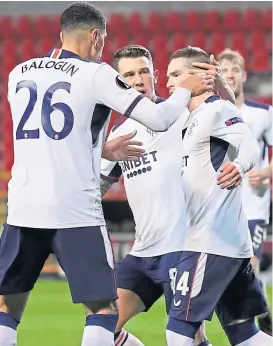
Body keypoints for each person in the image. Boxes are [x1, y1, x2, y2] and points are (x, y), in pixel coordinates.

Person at [0, 2, 212, 346]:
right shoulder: (95, 73)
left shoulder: (18, 72)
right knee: (103, 310)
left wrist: (99, 149)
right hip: (74, 210)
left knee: (7, 305)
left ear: (61, 33)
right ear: (96, 37)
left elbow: (48, 139)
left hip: (23, 206)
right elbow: (158, 119)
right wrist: (186, 87)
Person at [100, 45, 235, 346]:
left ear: (155, 75)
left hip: (183, 248)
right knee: (103, 326)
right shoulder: (118, 135)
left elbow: (225, 116)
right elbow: (97, 189)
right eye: (129, 75)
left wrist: (220, 86)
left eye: (144, 71)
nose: (138, 80)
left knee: (186, 338)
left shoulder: (184, 116)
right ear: (119, 84)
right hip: (143, 252)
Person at [165, 46, 272, 346]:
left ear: (200, 75)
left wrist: (239, 165)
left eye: (176, 75)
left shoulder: (216, 109)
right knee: (244, 334)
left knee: (178, 332)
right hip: (225, 243)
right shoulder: (187, 119)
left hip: (209, 242)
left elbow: (249, 143)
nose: (169, 83)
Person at [217, 49, 272, 335]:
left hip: (254, 205)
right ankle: (262, 314)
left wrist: (266, 172)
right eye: (224, 71)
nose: (230, 76)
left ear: (243, 75)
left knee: (250, 265)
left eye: (234, 71)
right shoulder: (212, 114)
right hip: (221, 205)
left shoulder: (263, 113)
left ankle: (255, 327)